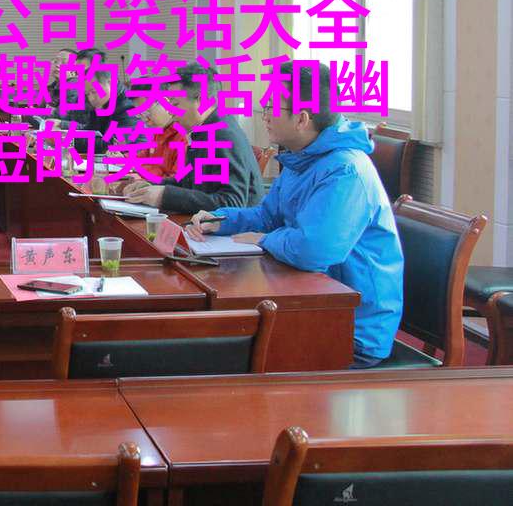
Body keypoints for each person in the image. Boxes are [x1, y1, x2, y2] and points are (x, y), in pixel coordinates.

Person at [185, 62, 404, 368]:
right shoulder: (302, 157)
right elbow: (267, 216)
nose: (264, 115)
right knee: (211, 338)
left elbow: (313, 250)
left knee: (219, 353)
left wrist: (264, 239)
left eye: (271, 107)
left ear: (302, 119)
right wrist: (220, 220)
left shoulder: (345, 171)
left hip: (351, 329)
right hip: (308, 304)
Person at [122, 63, 261, 212]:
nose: (170, 112)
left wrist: (164, 196)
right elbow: (189, 183)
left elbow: (232, 202)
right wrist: (152, 186)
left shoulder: (224, 136)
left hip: (234, 226)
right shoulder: (203, 130)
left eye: (175, 104)